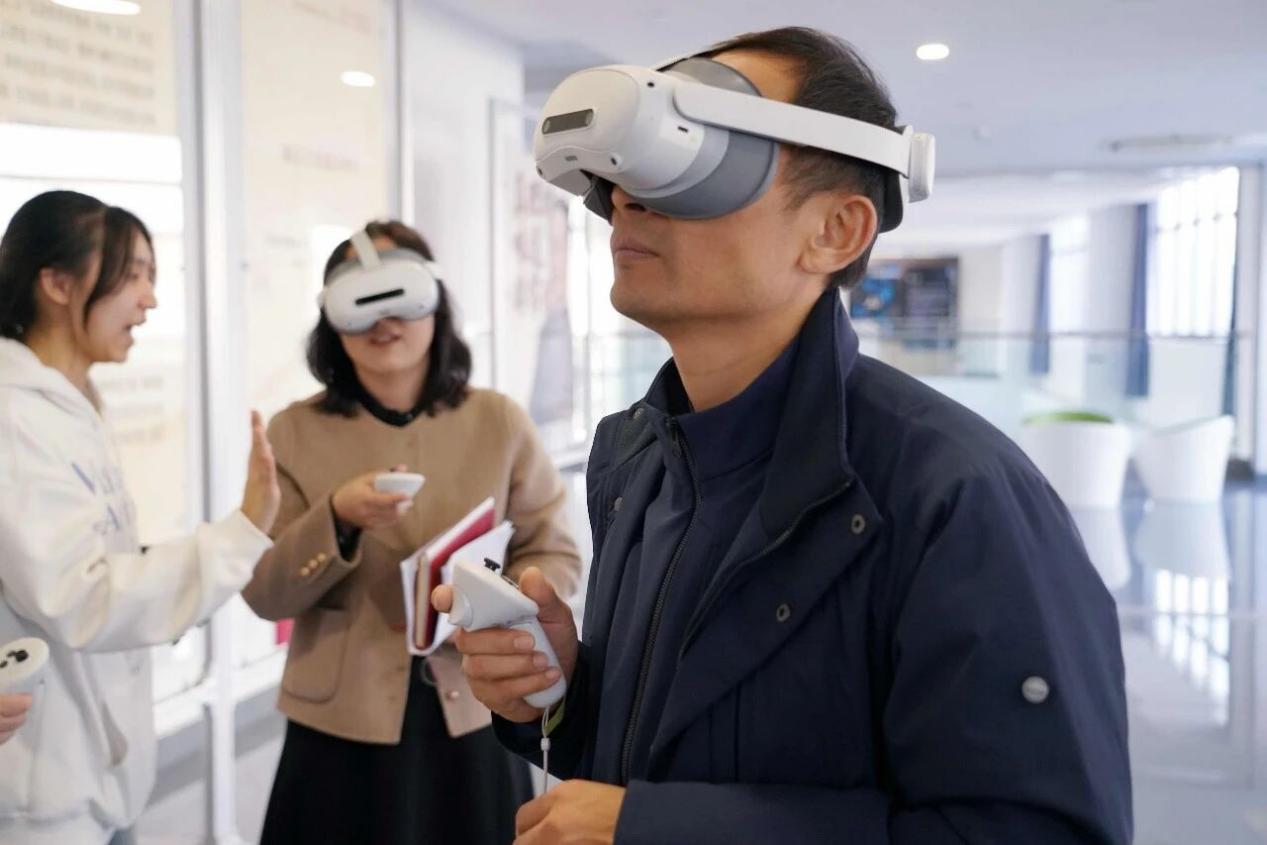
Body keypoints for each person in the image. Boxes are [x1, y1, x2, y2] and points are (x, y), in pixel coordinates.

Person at [435, 27, 1133, 845]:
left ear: (836, 230)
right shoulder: (635, 458)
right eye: (626, 167)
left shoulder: (956, 496)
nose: (625, 196)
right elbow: (657, 750)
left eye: (701, 152)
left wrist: (653, 829)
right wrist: (559, 694)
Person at [242, 220, 582, 845]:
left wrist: (498, 602)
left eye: (401, 295)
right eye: (359, 302)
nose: (383, 320)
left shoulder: (498, 420)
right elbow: (264, 592)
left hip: (474, 706)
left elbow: (553, 549)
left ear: (436, 300)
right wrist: (337, 521)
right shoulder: (292, 432)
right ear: (331, 317)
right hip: (339, 723)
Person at [0, 190, 280, 844]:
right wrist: (240, 532)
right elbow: (81, 596)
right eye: (133, 275)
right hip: (42, 794)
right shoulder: (16, 417)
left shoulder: (67, 405)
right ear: (57, 284)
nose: (150, 299)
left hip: (88, 772)